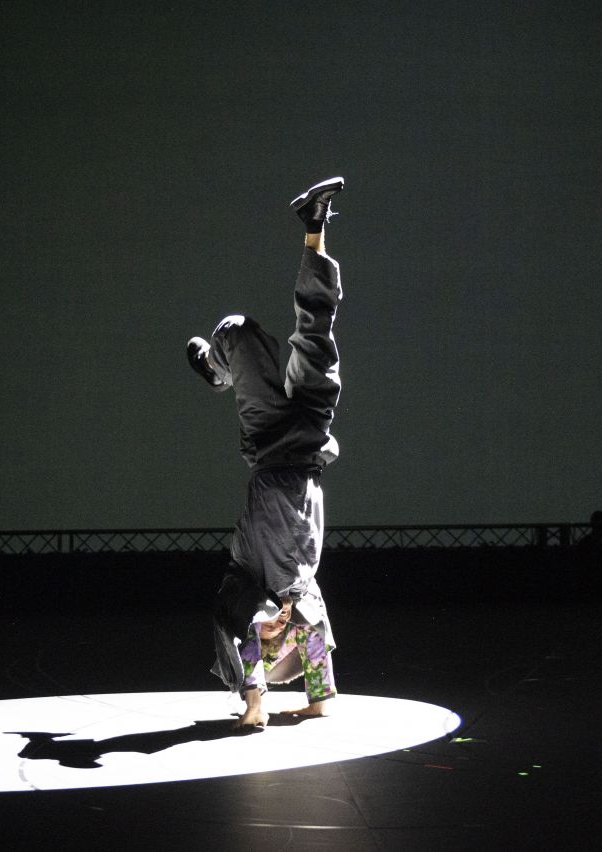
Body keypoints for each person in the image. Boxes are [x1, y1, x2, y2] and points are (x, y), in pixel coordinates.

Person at [186, 177, 345, 728]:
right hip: (296, 458)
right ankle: (315, 225)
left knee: (235, 329)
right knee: (316, 332)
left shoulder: (245, 589)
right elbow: (302, 610)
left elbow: (276, 617)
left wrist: (257, 700)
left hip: (278, 458)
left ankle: (221, 372)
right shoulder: (268, 582)